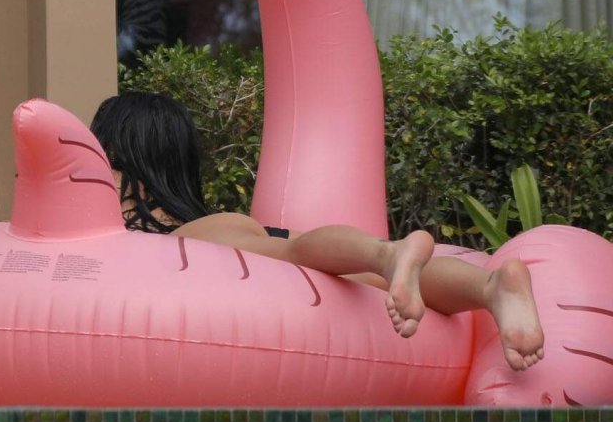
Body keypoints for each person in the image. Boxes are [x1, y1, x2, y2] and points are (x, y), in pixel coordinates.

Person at [90, 92, 544, 371]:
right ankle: (490, 286)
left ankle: (389, 256)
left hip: (198, 243)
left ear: (113, 154)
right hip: (245, 234)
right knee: (346, 273)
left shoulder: (126, 206)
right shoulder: (200, 216)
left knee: (294, 256)